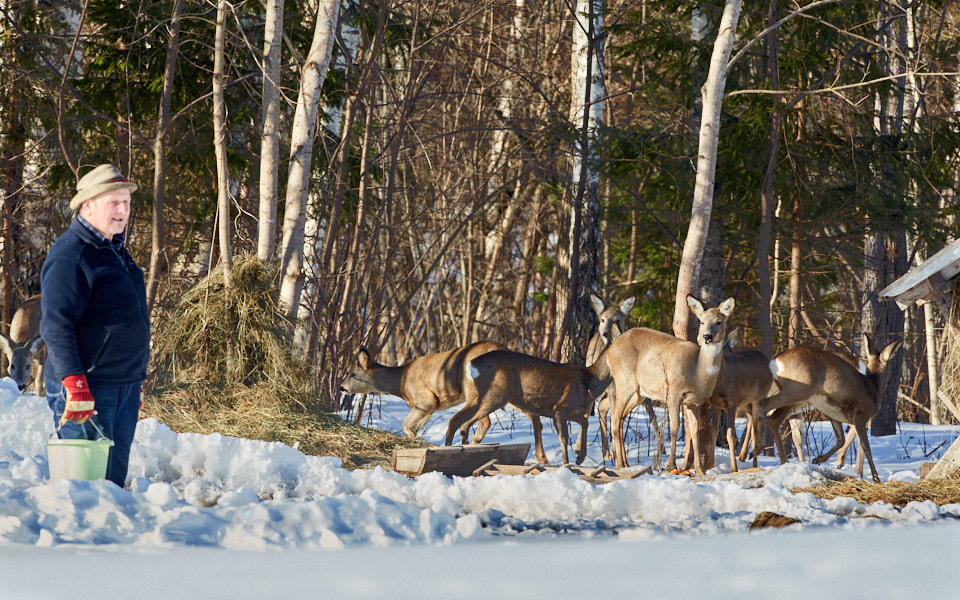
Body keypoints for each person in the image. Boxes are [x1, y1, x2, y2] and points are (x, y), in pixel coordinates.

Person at [40, 164, 151, 488]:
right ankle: (74, 540)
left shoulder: (114, 250)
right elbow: (57, 325)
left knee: (112, 485)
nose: (123, 210)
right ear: (87, 206)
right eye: (113, 202)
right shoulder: (72, 256)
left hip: (121, 384)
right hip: (86, 386)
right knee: (84, 488)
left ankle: (107, 540)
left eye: (126, 202)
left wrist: (133, 378)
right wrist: (74, 383)